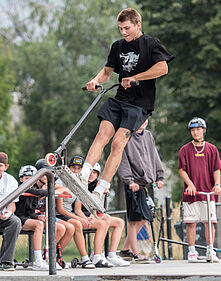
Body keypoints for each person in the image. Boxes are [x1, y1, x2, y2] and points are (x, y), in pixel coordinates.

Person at [71, 8, 173, 207]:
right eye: (120, 29)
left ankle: (101, 189)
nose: (123, 32)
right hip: (120, 99)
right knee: (102, 135)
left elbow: (163, 68)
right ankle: (83, 175)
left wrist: (136, 77)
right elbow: (108, 71)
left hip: (140, 105)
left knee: (118, 143)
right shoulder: (117, 46)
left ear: (138, 25)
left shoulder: (151, 44)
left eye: (127, 28)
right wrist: (95, 81)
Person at [117, 119, 164, 263]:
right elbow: (122, 159)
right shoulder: (126, 135)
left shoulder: (148, 135)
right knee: (134, 219)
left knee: (145, 217)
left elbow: (154, 156)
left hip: (148, 183)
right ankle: (135, 253)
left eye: (146, 118)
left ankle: (125, 250)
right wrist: (129, 180)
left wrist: (159, 176)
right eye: (140, 118)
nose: (143, 121)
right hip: (134, 184)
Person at [178, 117, 221, 263]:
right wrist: (190, 184)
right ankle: (192, 252)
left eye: (198, 129)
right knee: (191, 223)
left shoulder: (212, 149)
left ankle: (211, 250)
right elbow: (182, 170)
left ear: (203, 130)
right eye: (193, 130)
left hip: (208, 193)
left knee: (209, 222)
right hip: (192, 194)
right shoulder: (185, 150)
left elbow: (217, 169)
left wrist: (217, 185)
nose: (196, 132)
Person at [56, 156, 111, 268]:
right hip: (59, 214)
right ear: (68, 168)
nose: (75, 171)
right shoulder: (61, 181)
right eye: (73, 168)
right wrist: (80, 219)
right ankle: (85, 258)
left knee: (102, 223)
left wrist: (86, 219)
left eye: (78, 168)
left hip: (71, 214)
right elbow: (60, 209)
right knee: (76, 224)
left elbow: (77, 209)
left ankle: (97, 256)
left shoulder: (79, 183)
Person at [16, 165, 67, 270]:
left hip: (29, 218)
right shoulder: (20, 187)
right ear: (21, 179)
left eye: (32, 178)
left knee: (60, 228)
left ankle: (48, 257)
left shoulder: (34, 188)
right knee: (38, 225)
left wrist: (38, 217)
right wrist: (55, 192)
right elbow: (40, 193)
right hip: (18, 219)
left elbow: (31, 211)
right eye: (26, 178)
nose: (29, 181)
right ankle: (38, 261)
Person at [80, 162, 130, 267]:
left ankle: (111, 255)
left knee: (119, 222)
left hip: (93, 215)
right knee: (104, 221)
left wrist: (106, 186)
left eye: (95, 173)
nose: (91, 175)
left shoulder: (97, 184)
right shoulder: (81, 183)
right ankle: (97, 254)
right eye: (90, 172)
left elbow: (106, 183)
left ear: (97, 175)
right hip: (83, 216)